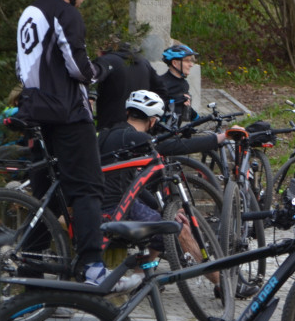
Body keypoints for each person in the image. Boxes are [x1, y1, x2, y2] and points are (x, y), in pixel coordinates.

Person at [15, 0, 109, 284]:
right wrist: (102, 69)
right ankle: (93, 266)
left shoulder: (30, 11)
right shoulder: (66, 14)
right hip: (68, 114)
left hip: (36, 112)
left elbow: (23, 66)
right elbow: (79, 68)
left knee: (49, 197)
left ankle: (30, 271)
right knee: (87, 189)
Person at [98, 90, 227, 292]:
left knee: (166, 220)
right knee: (176, 227)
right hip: (115, 208)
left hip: (96, 202)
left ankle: (141, 276)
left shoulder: (107, 134)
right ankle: (221, 283)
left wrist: (162, 210)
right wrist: (219, 138)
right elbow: (175, 145)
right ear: (152, 120)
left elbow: (134, 186)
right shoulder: (137, 139)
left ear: (128, 113)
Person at [93, 42, 167, 130]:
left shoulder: (106, 61)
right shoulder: (143, 62)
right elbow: (162, 91)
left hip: (109, 128)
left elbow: (89, 81)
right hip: (139, 128)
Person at [158, 43, 199, 122]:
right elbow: (156, 107)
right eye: (187, 61)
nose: (191, 65)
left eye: (191, 61)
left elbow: (185, 106)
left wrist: (198, 118)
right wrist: (175, 101)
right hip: (160, 131)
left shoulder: (184, 84)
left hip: (175, 129)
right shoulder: (161, 83)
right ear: (175, 63)